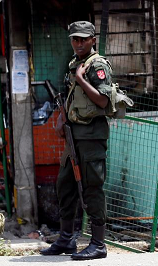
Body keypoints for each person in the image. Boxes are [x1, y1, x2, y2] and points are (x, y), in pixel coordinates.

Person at [40, 21, 112, 260]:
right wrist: (61, 118)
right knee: (65, 185)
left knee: (92, 188)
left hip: (92, 136)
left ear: (93, 40)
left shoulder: (97, 65)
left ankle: (98, 244)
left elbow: (102, 100)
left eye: (83, 39)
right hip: (75, 136)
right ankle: (66, 239)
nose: (79, 43)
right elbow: (70, 97)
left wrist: (82, 79)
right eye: (75, 39)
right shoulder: (74, 64)